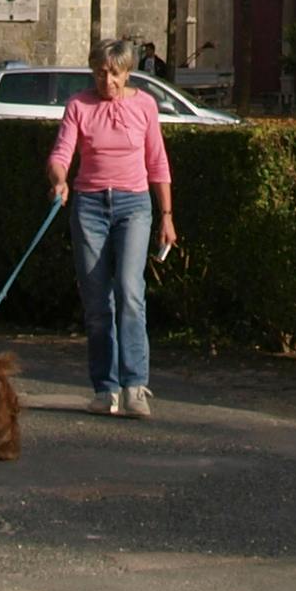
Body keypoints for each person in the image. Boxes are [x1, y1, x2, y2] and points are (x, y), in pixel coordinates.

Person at [48, 36, 174, 417]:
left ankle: (135, 386)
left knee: (130, 291)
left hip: (134, 205)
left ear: (127, 72)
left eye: (115, 74)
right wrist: (59, 180)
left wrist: (167, 215)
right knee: (97, 302)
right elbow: (61, 153)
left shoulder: (145, 105)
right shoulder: (79, 106)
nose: (108, 81)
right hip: (89, 206)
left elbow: (157, 161)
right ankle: (106, 389)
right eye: (101, 73)